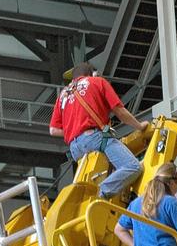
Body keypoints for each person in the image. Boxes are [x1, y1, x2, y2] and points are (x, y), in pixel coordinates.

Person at [49, 62, 150, 200]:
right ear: (91, 74)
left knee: (100, 174)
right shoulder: (97, 82)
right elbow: (120, 112)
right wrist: (139, 126)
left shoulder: (63, 94)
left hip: (75, 149)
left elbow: (53, 130)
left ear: (74, 79)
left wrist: (74, 130)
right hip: (95, 139)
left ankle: (93, 198)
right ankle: (100, 194)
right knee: (132, 167)